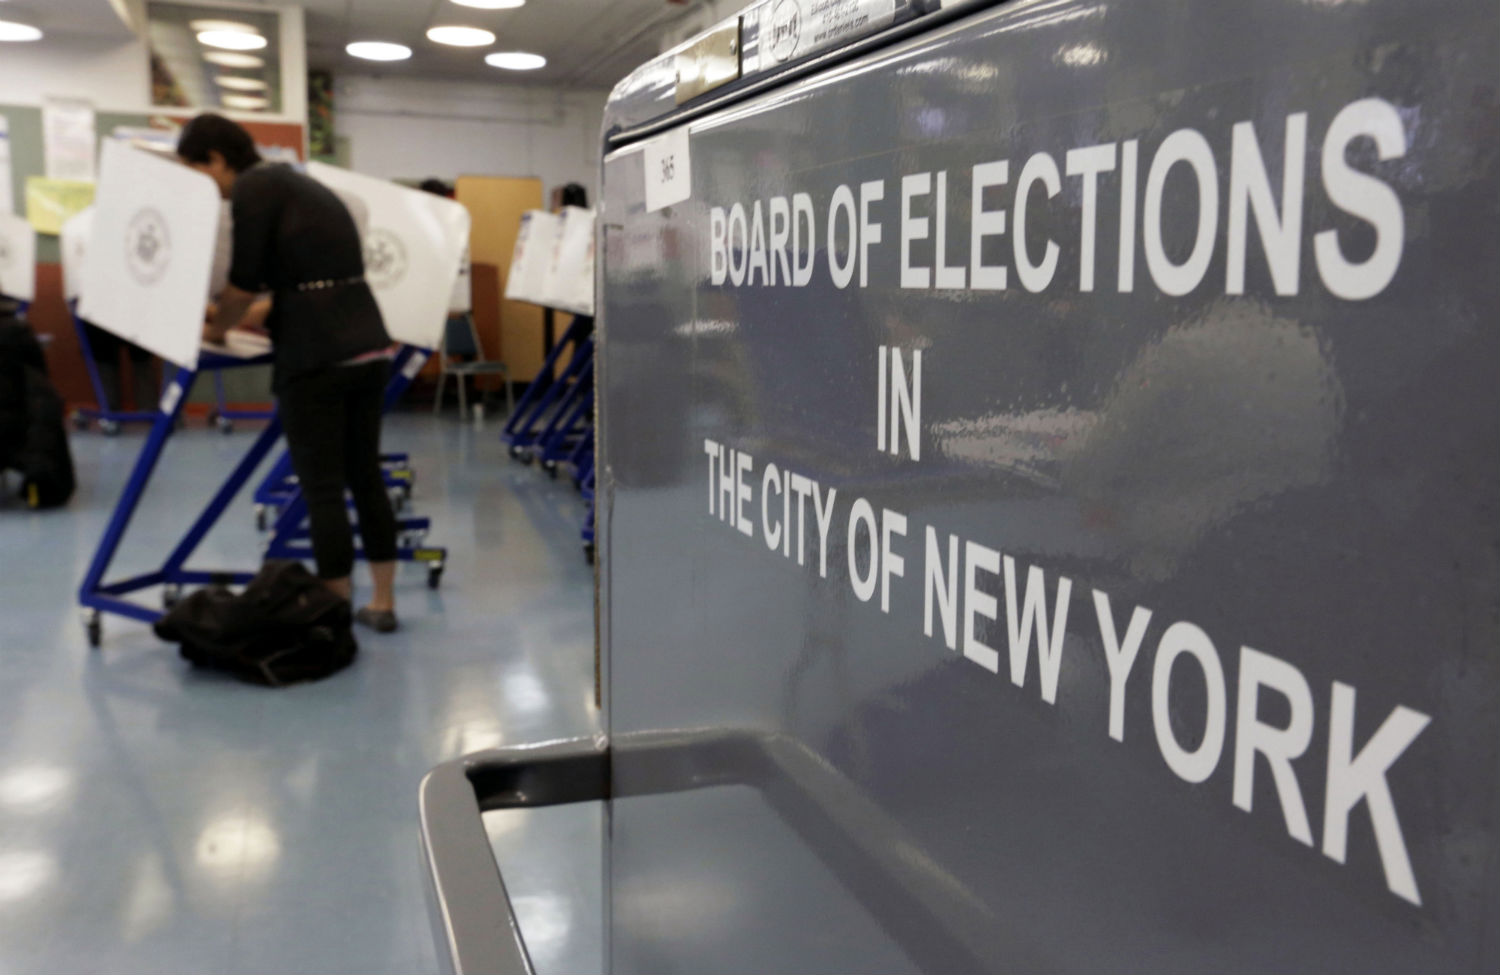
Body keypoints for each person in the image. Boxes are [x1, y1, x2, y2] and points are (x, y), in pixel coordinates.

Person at [177, 114, 401, 633]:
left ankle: (335, 609)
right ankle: (383, 603)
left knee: (321, 487)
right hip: (368, 343)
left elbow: (243, 283)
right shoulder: (298, 183)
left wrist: (215, 331)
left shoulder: (252, 190)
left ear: (216, 159)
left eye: (197, 171)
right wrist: (242, 315)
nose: (203, 188)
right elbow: (305, 284)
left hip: (315, 355)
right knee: (364, 476)